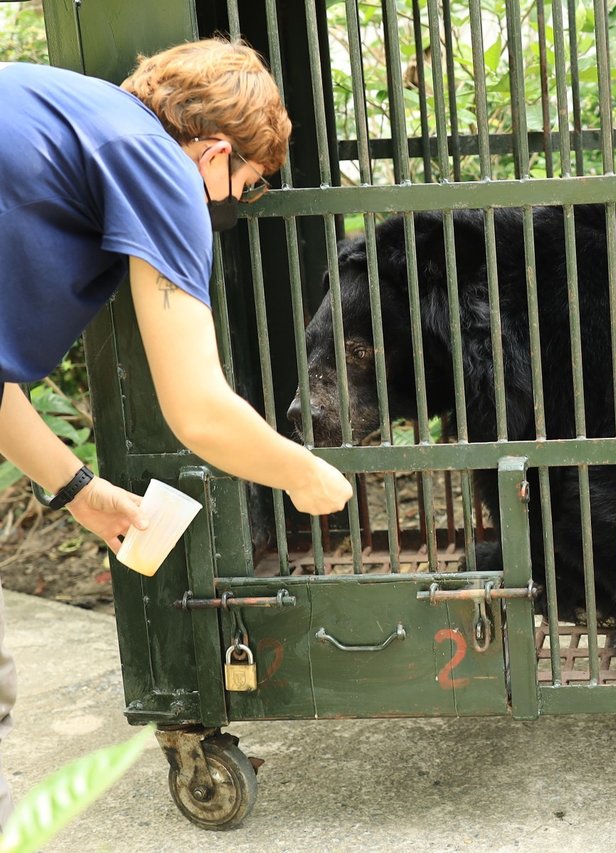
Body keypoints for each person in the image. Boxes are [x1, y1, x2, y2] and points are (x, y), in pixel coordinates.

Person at [0, 38, 353, 825]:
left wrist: (83, 495)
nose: (230, 207)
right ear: (217, 151)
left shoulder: (53, 109)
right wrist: (304, 473)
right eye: (244, 189)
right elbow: (197, 408)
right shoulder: (156, 163)